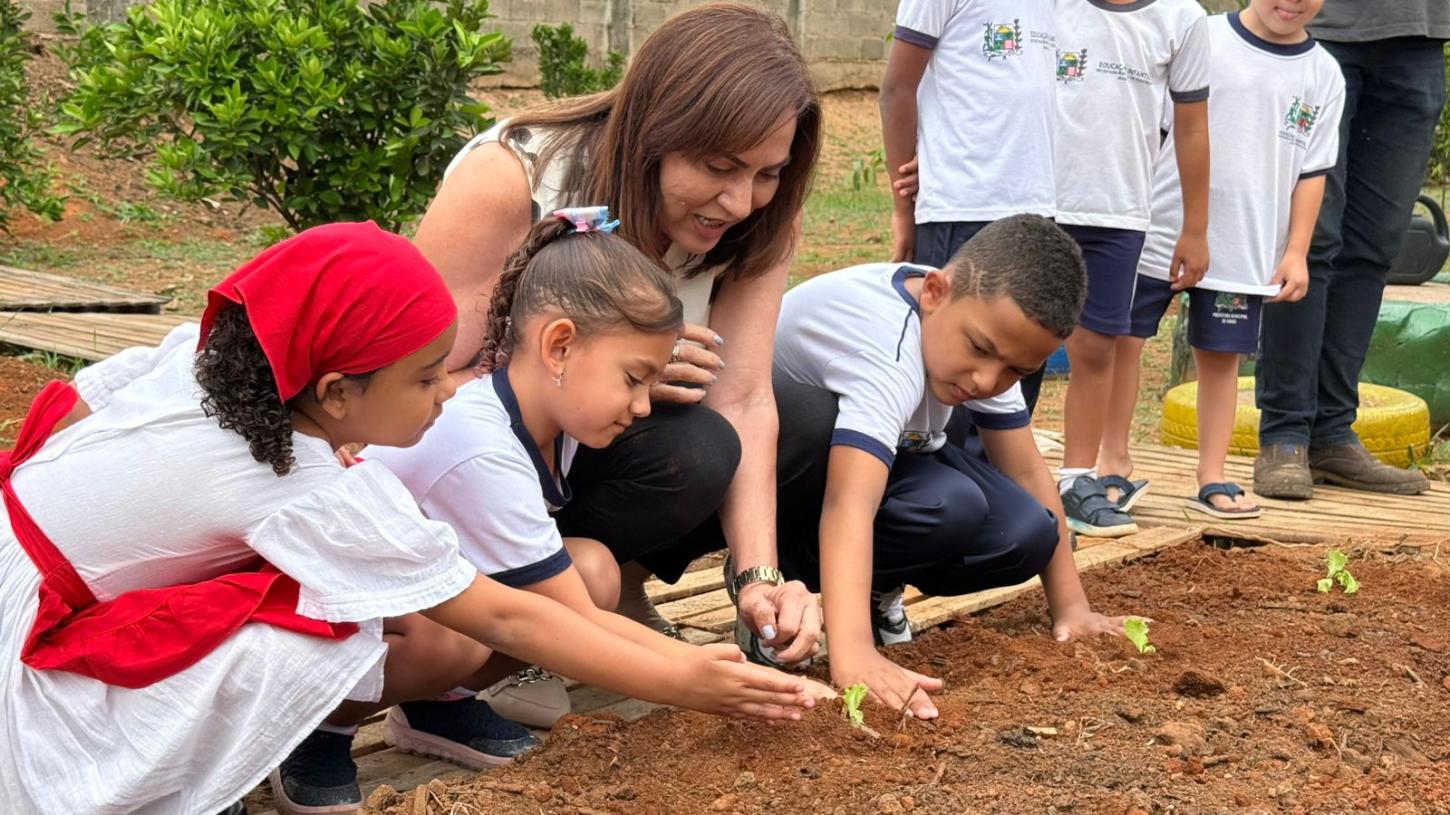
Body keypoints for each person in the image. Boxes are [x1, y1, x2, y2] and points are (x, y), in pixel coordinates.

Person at [0, 223, 819, 815]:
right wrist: (689, 680)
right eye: (426, 378)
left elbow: (76, 407)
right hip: (30, 654)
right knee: (322, 632)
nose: (446, 391)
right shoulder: (302, 483)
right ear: (336, 393)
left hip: (22, 557)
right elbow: (503, 612)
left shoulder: (205, 366)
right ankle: (224, 758)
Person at [413, 2, 824, 678]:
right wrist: (598, 375)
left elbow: (746, 397)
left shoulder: (759, 216)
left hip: (579, 451)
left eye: (767, 172)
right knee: (691, 443)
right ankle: (537, 628)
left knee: (802, 417)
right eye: (720, 166)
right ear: (654, 132)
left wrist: (758, 576)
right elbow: (403, 391)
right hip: (474, 460)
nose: (742, 201)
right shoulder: (514, 179)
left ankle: (605, 592)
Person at [370, 208, 812, 736]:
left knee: (593, 570)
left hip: (420, 601)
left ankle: (438, 705)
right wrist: (696, 679)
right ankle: (324, 733)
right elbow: (569, 624)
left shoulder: (554, 426)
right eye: (633, 379)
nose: (645, 406)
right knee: (455, 638)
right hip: (335, 619)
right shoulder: (482, 450)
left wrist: (708, 667)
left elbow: (573, 607)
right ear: (559, 346)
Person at [765, 215, 1132, 720]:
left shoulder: (979, 331)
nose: (987, 379)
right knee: (949, 504)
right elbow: (850, 500)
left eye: (1015, 371)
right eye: (981, 350)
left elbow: (1026, 472)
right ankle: (782, 588)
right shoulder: (884, 345)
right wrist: (853, 657)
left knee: (1025, 530)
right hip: (781, 471)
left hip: (878, 458)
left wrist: (1071, 606)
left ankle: (870, 591)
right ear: (934, 292)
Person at [1101, 0, 1344, 521]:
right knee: (1125, 342)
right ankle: (1110, 463)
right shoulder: (1200, 36)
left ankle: (1211, 474)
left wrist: (1296, 251)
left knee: (1221, 358)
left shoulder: (1324, 72)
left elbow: (1313, 170)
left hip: (1245, 245)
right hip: (1162, 227)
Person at [1253, 0, 1445, 499]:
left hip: (1420, 36)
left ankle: (1333, 434)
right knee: (1310, 237)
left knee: (1376, 244)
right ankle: (1285, 434)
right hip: (1319, 29)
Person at [1053, 0, 1213, 537]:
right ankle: (992, 471)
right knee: (1012, 345)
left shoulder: (1181, 18)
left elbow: (1191, 128)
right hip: (1038, 200)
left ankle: (1078, 477)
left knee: (1097, 347)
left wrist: (1194, 227)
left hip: (1119, 212)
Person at [880, 0, 1058, 410]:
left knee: (1015, 375)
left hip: (1036, 208)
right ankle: (931, 469)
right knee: (948, 368)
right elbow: (896, 91)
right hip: (960, 205)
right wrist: (903, 208)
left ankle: (997, 473)